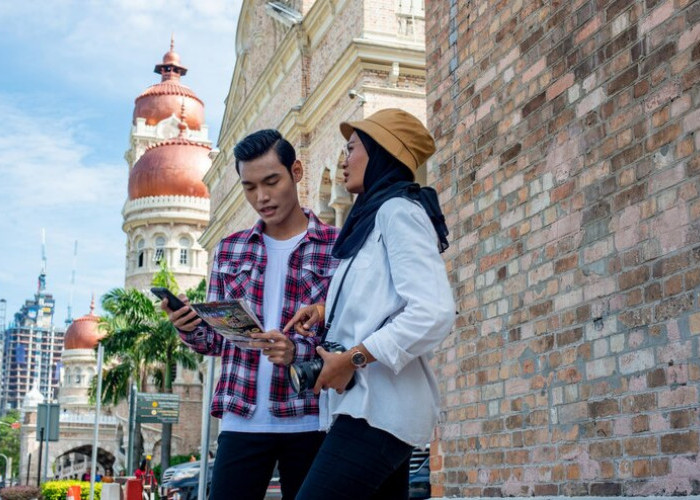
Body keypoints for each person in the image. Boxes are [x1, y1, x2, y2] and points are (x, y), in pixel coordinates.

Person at [285, 109, 455, 499]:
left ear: (380, 154)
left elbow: (433, 311)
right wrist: (326, 310)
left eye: (351, 148)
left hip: (379, 409)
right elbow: (381, 293)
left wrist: (354, 358)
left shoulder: (399, 212)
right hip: (364, 406)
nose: (344, 160)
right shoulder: (374, 217)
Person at [163, 129, 339, 500]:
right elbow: (214, 341)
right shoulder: (230, 250)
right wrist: (189, 326)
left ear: (297, 171)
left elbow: (347, 331)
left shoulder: (336, 246)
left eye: (271, 181)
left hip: (310, 417)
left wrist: (297, 353)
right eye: (249, 186)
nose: (261, 197)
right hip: (241, 417)